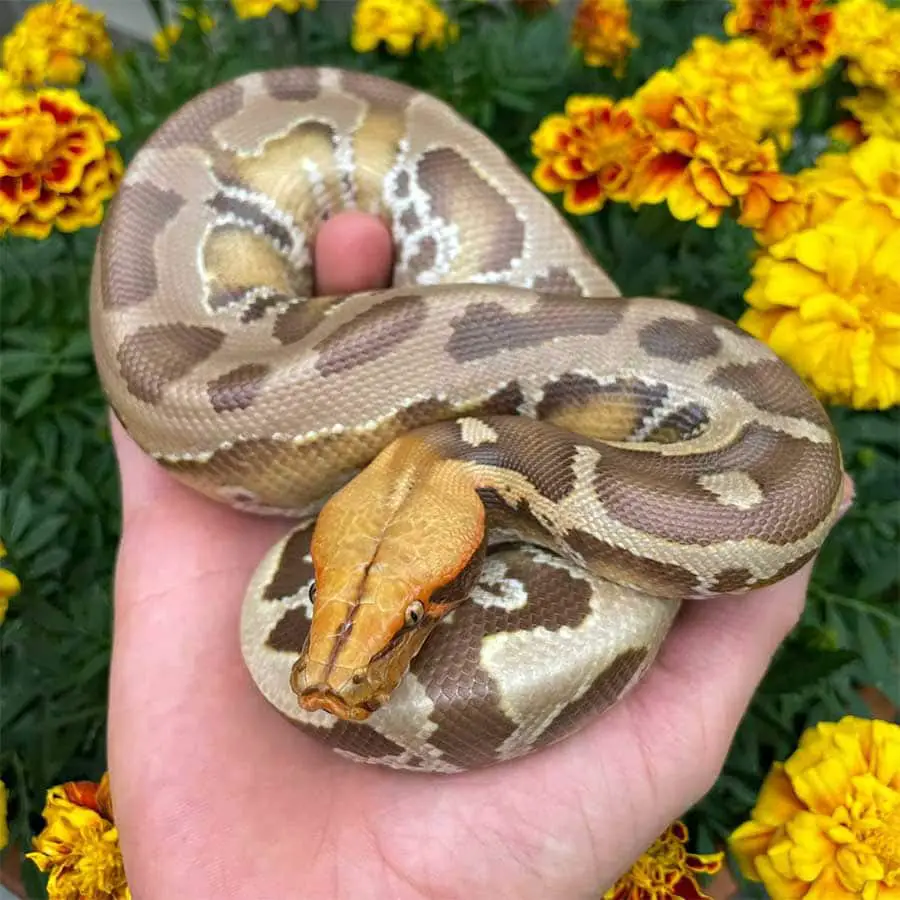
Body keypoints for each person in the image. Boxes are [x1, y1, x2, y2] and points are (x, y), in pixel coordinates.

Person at [106, 212, 853, 899]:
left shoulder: (495, 487)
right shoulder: (452, 493)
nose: (335, 682)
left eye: (418, 611)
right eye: (324, 582)